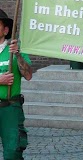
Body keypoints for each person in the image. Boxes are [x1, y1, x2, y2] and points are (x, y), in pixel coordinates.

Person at [0, 9, 32, 160]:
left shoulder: (16, 50)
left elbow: (28, 75)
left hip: (10, 108)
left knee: (13, 151)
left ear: (6, 30)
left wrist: (18, 54)